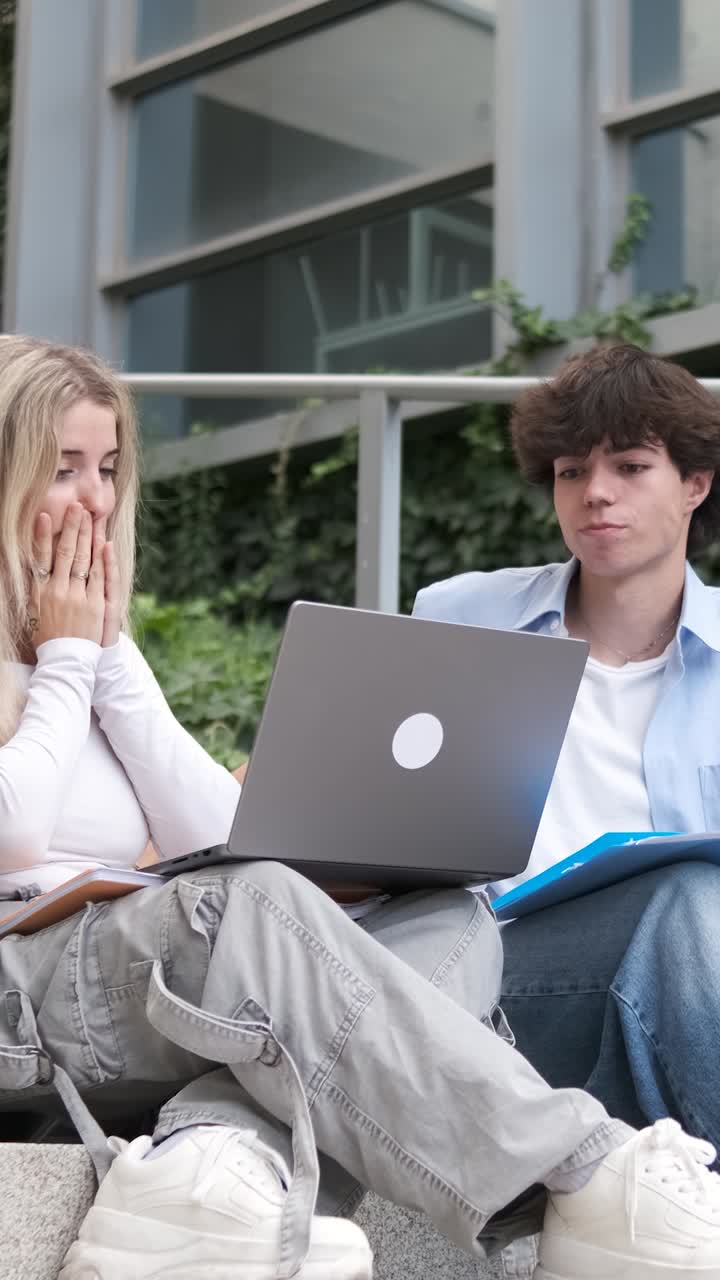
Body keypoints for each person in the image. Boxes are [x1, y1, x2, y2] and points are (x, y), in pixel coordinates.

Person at [0, 335, 718, 1280]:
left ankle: (213, 1159)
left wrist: (105, 655)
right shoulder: (58, 661)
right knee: (251, 900)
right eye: (63, 470)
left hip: (145, 962)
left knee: (442, 917)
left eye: (108, 469)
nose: (95, 500)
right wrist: (64, 664)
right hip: (35, 984)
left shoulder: (86, 649)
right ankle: (586, 1174)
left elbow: (218, 834)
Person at [414, 342, 720, 1168]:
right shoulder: (460, 618)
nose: (595, 494)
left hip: (684, 999)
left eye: (629, 466)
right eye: (570, 471)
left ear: (695, 483)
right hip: (498, 981)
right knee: (690, 899)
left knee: (692, 917)